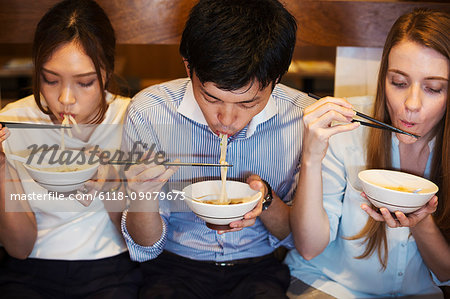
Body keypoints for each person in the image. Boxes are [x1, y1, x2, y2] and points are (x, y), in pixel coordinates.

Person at [120, 0, 303, 297]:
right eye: (211, 98)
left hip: (259, 269)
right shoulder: (150, 112)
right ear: (188, 66)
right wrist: (143, 195)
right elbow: (146, 246)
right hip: (173, 267)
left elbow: (299, 238)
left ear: (276, 79)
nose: (227, 120)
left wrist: (266, 199)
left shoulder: (302, 117)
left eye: (248, 103)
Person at [285, 8, 450, 298]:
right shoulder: (346, 129)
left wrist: (422, 222)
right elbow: (310, 247)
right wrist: (311, 157)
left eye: (433, 88)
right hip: (329, 285)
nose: (411, 103)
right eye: (398, 82)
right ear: (383, 77)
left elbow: (447, 274)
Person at [0, 0, 141, 298]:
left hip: (111, 265)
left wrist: (111, 184)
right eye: (50, 80)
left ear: (107, 71)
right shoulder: (12, 122)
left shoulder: (131, 118)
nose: (65, 99)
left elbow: (139, 240)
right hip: (31, 268)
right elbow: (19, 248)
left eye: (85, 83)